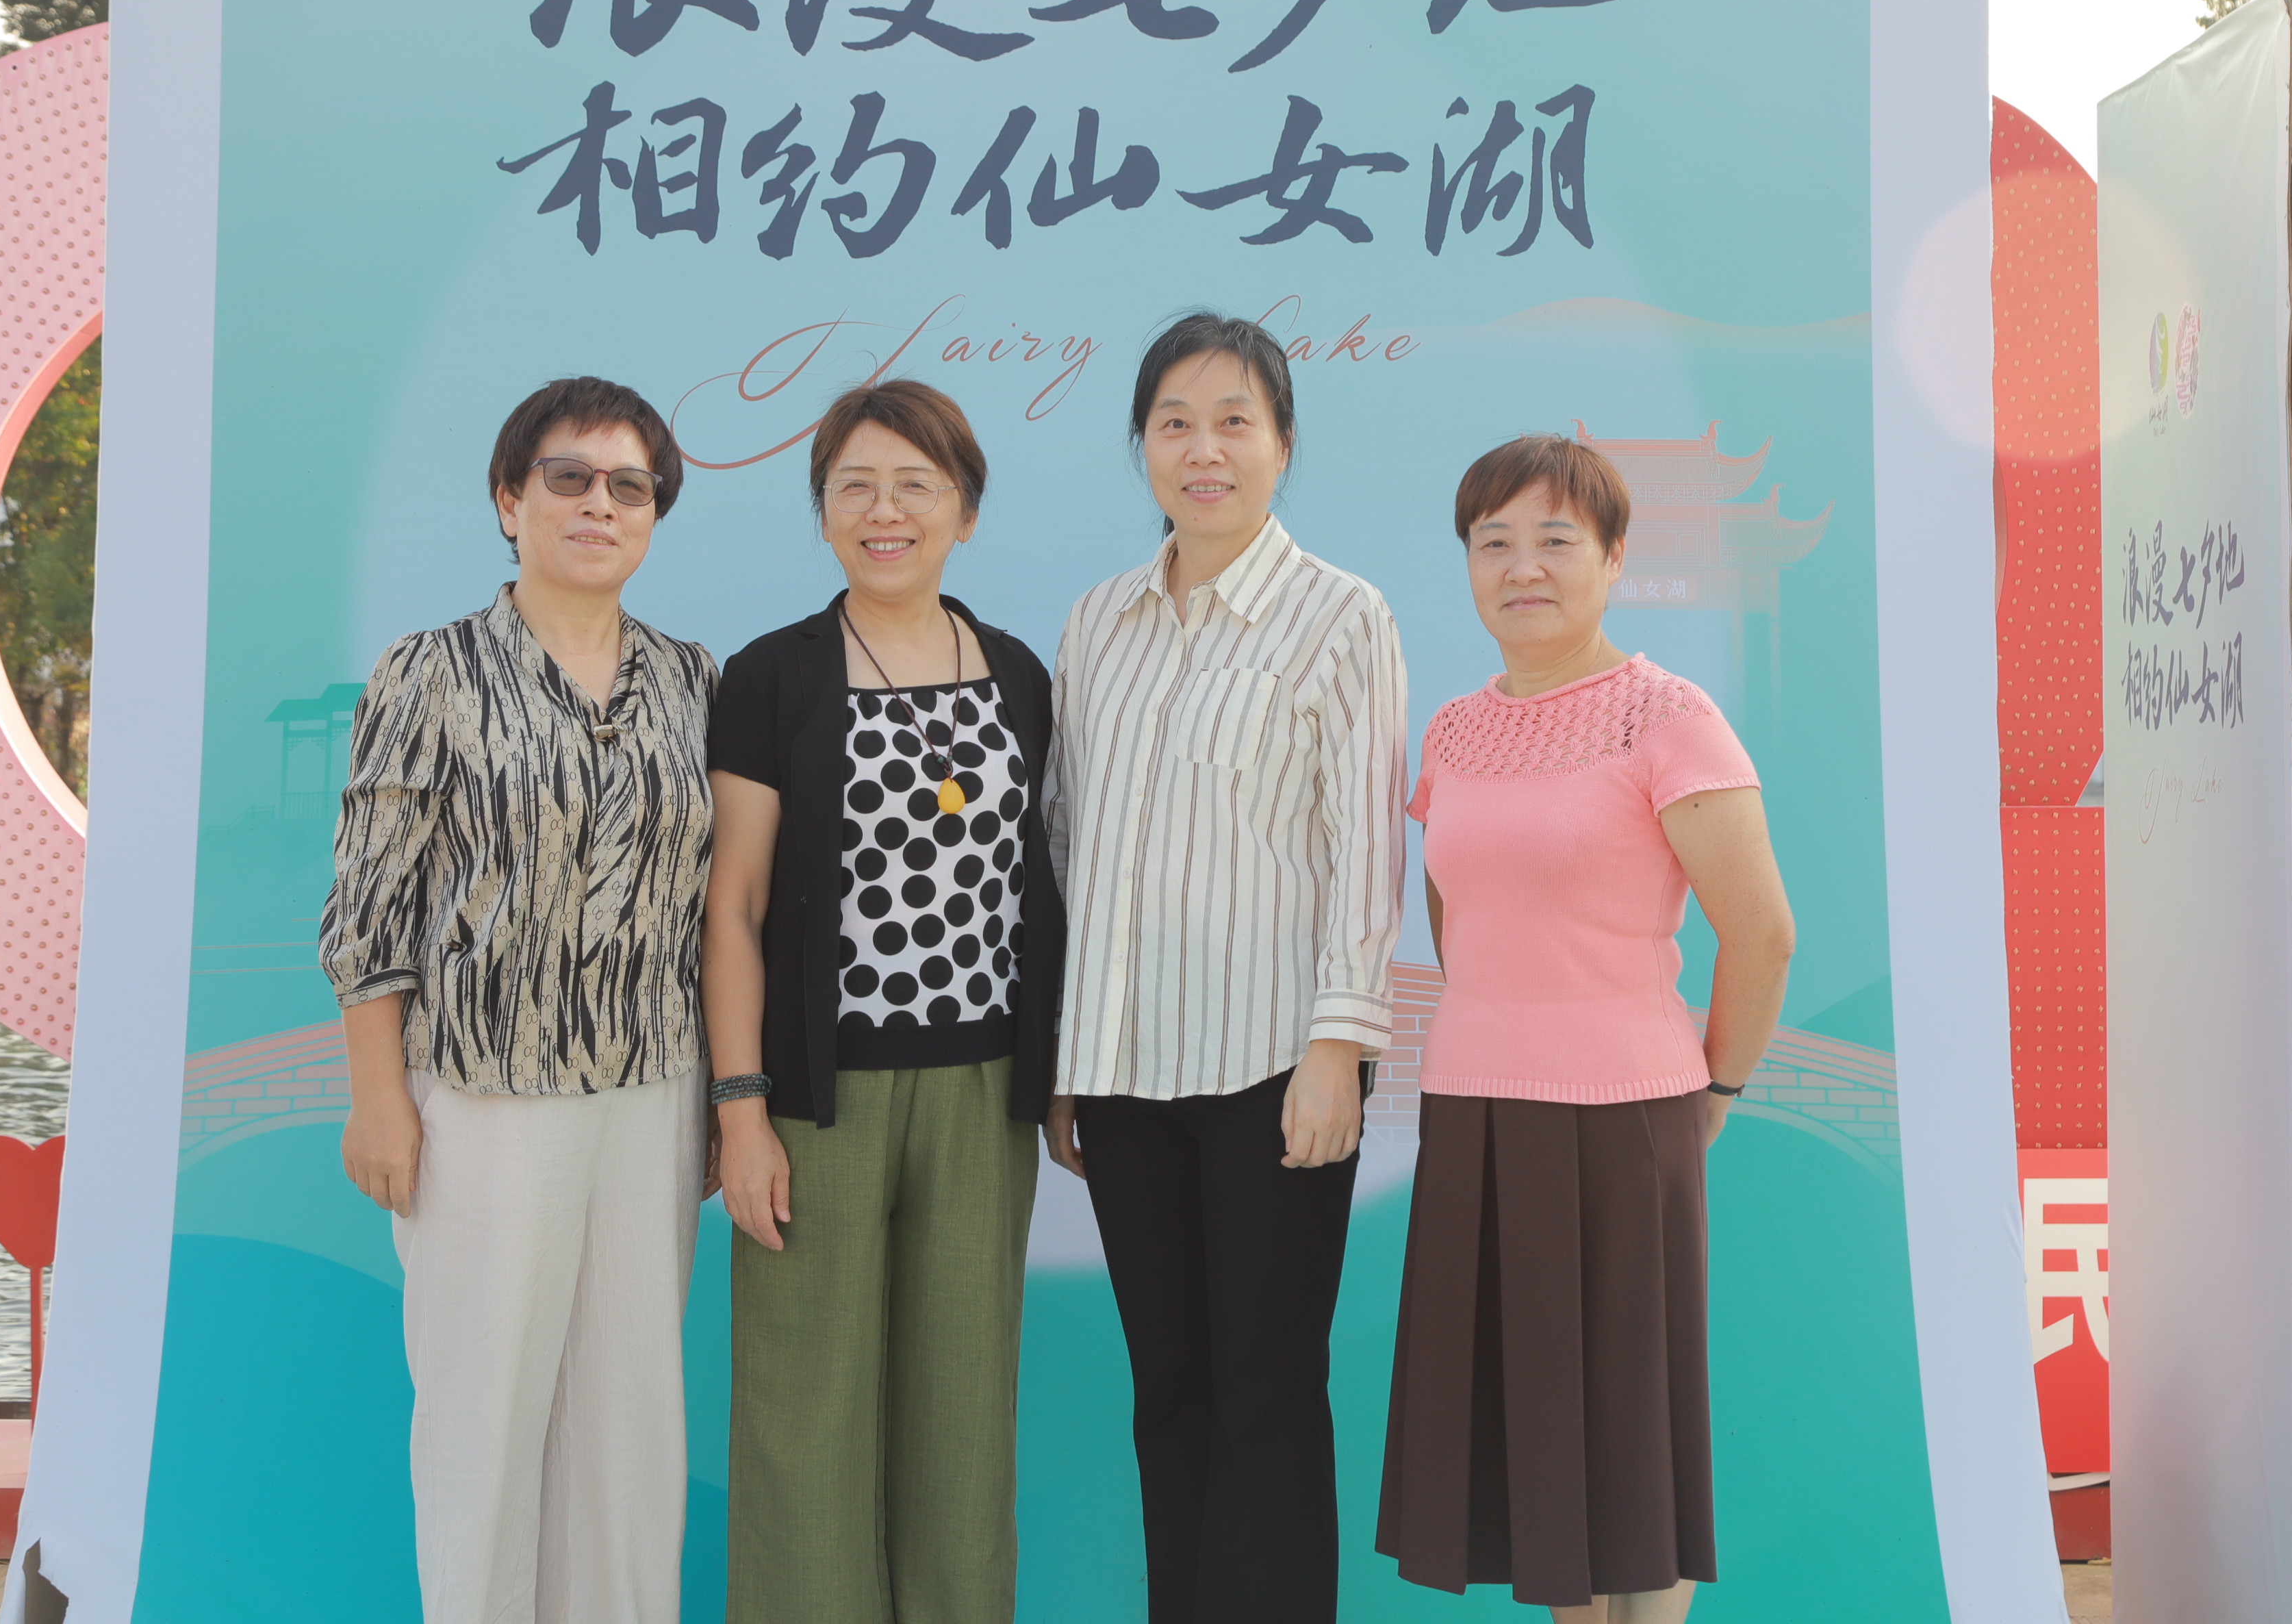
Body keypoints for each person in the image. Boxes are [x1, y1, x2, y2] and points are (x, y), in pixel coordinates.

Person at [1375, 435, 1796, 1623]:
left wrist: (1718, 1090)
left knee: (1628, 1439)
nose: (1523, 566)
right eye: (1494, 541)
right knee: (1537, 1442)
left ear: (1614, 558)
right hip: (1474, 1114)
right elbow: (1460, 918)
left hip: (1622, 1117)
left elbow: (1763, 934)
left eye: (1557, 539)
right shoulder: (1453, 730)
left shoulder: (1670, 718)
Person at [321, 377, 717, 1624]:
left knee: (631, 1436)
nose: (600, 504)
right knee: (483, 1429)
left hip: (654, 1095)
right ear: (508, 499)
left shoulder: (694, 680)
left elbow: (712, 909)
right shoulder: (431, 671)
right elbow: (369, 906)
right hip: (484, 1098)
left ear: (653, 515)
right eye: (568, 477)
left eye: (630, 486)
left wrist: (725, 1103)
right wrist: (379, 1098)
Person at [1042, 312, 1408, 1624]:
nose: (1205, 451)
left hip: (1274, 1071)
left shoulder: (1342, 616)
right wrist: (1069, 1065)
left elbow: (1364, 850)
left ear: (1283, 445)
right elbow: (1069, 842)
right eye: (1175, 423)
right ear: (1141, 444)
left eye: (1234, 422)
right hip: (1127, 1080)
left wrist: (1336, 1051)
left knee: (1267, 1393)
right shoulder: (1100, 620)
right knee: (1171, 1393)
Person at [703, 378, 1065, 1624]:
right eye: (853, 486)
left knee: (963, 1412)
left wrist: (1057, 1077)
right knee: (804, 1411)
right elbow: (735, 908)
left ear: (966, 509)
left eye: (916, 484)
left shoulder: (1019, 674)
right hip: (818, 1100)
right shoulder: (772, 678)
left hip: (984, 1094)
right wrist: (741, 1110)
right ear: (821, 512)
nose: (884, 510)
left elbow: (1040, 887)